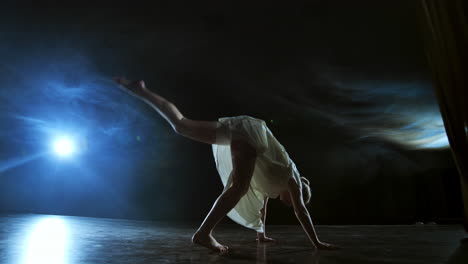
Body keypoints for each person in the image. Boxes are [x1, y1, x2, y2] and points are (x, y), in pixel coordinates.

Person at [113, 77, 339, 253]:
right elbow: (302, 212)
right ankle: (203, 234)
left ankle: (140, 90)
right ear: (298, 193)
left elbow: (263, 203)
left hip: (246, 133)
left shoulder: (276, 186)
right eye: (292, 202)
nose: (290, 204)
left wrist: (260, 233)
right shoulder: (294, 181)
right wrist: (317, 243)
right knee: (239, 189)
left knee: (182, 125)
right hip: (252, 138)